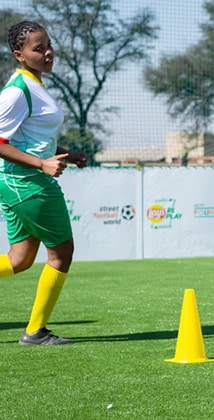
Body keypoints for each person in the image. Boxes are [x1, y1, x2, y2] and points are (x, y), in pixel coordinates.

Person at [0, 21, 89, 345]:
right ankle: (35, 331)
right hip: (27, 183)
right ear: (19, 55)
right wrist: (42, 164)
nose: (48, 52)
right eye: (39, 48)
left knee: (19, 260)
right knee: (62, 253)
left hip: (20, 181)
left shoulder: (34, 83)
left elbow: (32, 138)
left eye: (49, 45)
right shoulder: (17, 91)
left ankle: (35, 331)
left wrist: (66, 154)